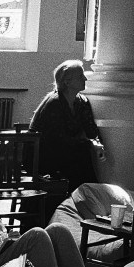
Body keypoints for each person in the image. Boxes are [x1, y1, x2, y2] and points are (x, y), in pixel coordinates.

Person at [29, 59, 104, 192]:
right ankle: (84, 194)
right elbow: (56, 140)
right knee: (80, 157)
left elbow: (91, 130)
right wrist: (89, 143)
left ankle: (88, 193)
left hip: (66, 152)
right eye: (80, 76)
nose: (85, 78)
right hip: (44, 155)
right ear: (67, 82)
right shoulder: (54, 103)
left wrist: (96, 142)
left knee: (82, 155)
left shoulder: (81, 101)